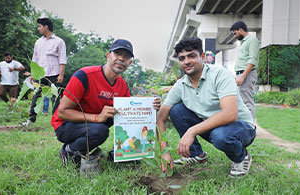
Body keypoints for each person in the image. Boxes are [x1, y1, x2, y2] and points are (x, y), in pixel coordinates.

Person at [51, 39, 160, 167]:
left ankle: (119, 152)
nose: (121, 58)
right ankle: (69, 151)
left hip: (92, 123)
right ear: (108, 56)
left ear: (129, 63)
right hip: (66, 125)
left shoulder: (123, 85)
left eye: (126, 56)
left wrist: (148, 108)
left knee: (122, 116)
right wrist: (97, 118)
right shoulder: (84, 75)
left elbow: (129, 116)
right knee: (100, 131)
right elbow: (62, 112)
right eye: (118, 53)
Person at [156, 37, 256, 178]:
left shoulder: (219, 74)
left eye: (191, 56)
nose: (187, 62)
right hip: (213, 127)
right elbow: (161, 118)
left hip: (241, 128)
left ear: (202, 56)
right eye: (182, 58)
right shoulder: (180, 85)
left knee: (221, 136)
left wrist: (191, 131)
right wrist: (165, 153)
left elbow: (230, 114)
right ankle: (197, 155)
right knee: (176, 110)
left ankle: (242, 157)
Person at [23, 17, 66, 125]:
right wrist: (33, 74)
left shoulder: (59, 41)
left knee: (55, 99)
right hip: (40, 76)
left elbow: (62, 59)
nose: (38, 29)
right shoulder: (38, 42)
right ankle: (31, 119)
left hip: (54, 75)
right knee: (36, 97)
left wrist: (61, 74)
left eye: (39, 26)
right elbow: (35, 59)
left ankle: (56, 121)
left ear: (46, 27)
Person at [230, 21, 260, 120]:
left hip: (246, 74)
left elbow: (252, 60)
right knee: (241, 101)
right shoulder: (244, 42)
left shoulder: (252, 41)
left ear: (241, 30)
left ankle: (250, 126)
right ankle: (244, 124)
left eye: (235, 33)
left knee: (247, 101)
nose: (235, 36)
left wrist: (242, 76)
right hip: (241, 74)